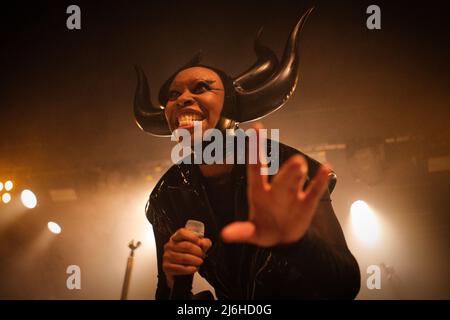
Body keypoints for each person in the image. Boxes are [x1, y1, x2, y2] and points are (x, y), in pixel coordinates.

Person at [134, 8, 360, 299]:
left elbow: (345, 286)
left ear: (231, 105)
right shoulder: (166, 196)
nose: (182, 99)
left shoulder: (289, 169)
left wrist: (295, 241)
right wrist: (172, 280)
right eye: (173, 96)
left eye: (200, 88)